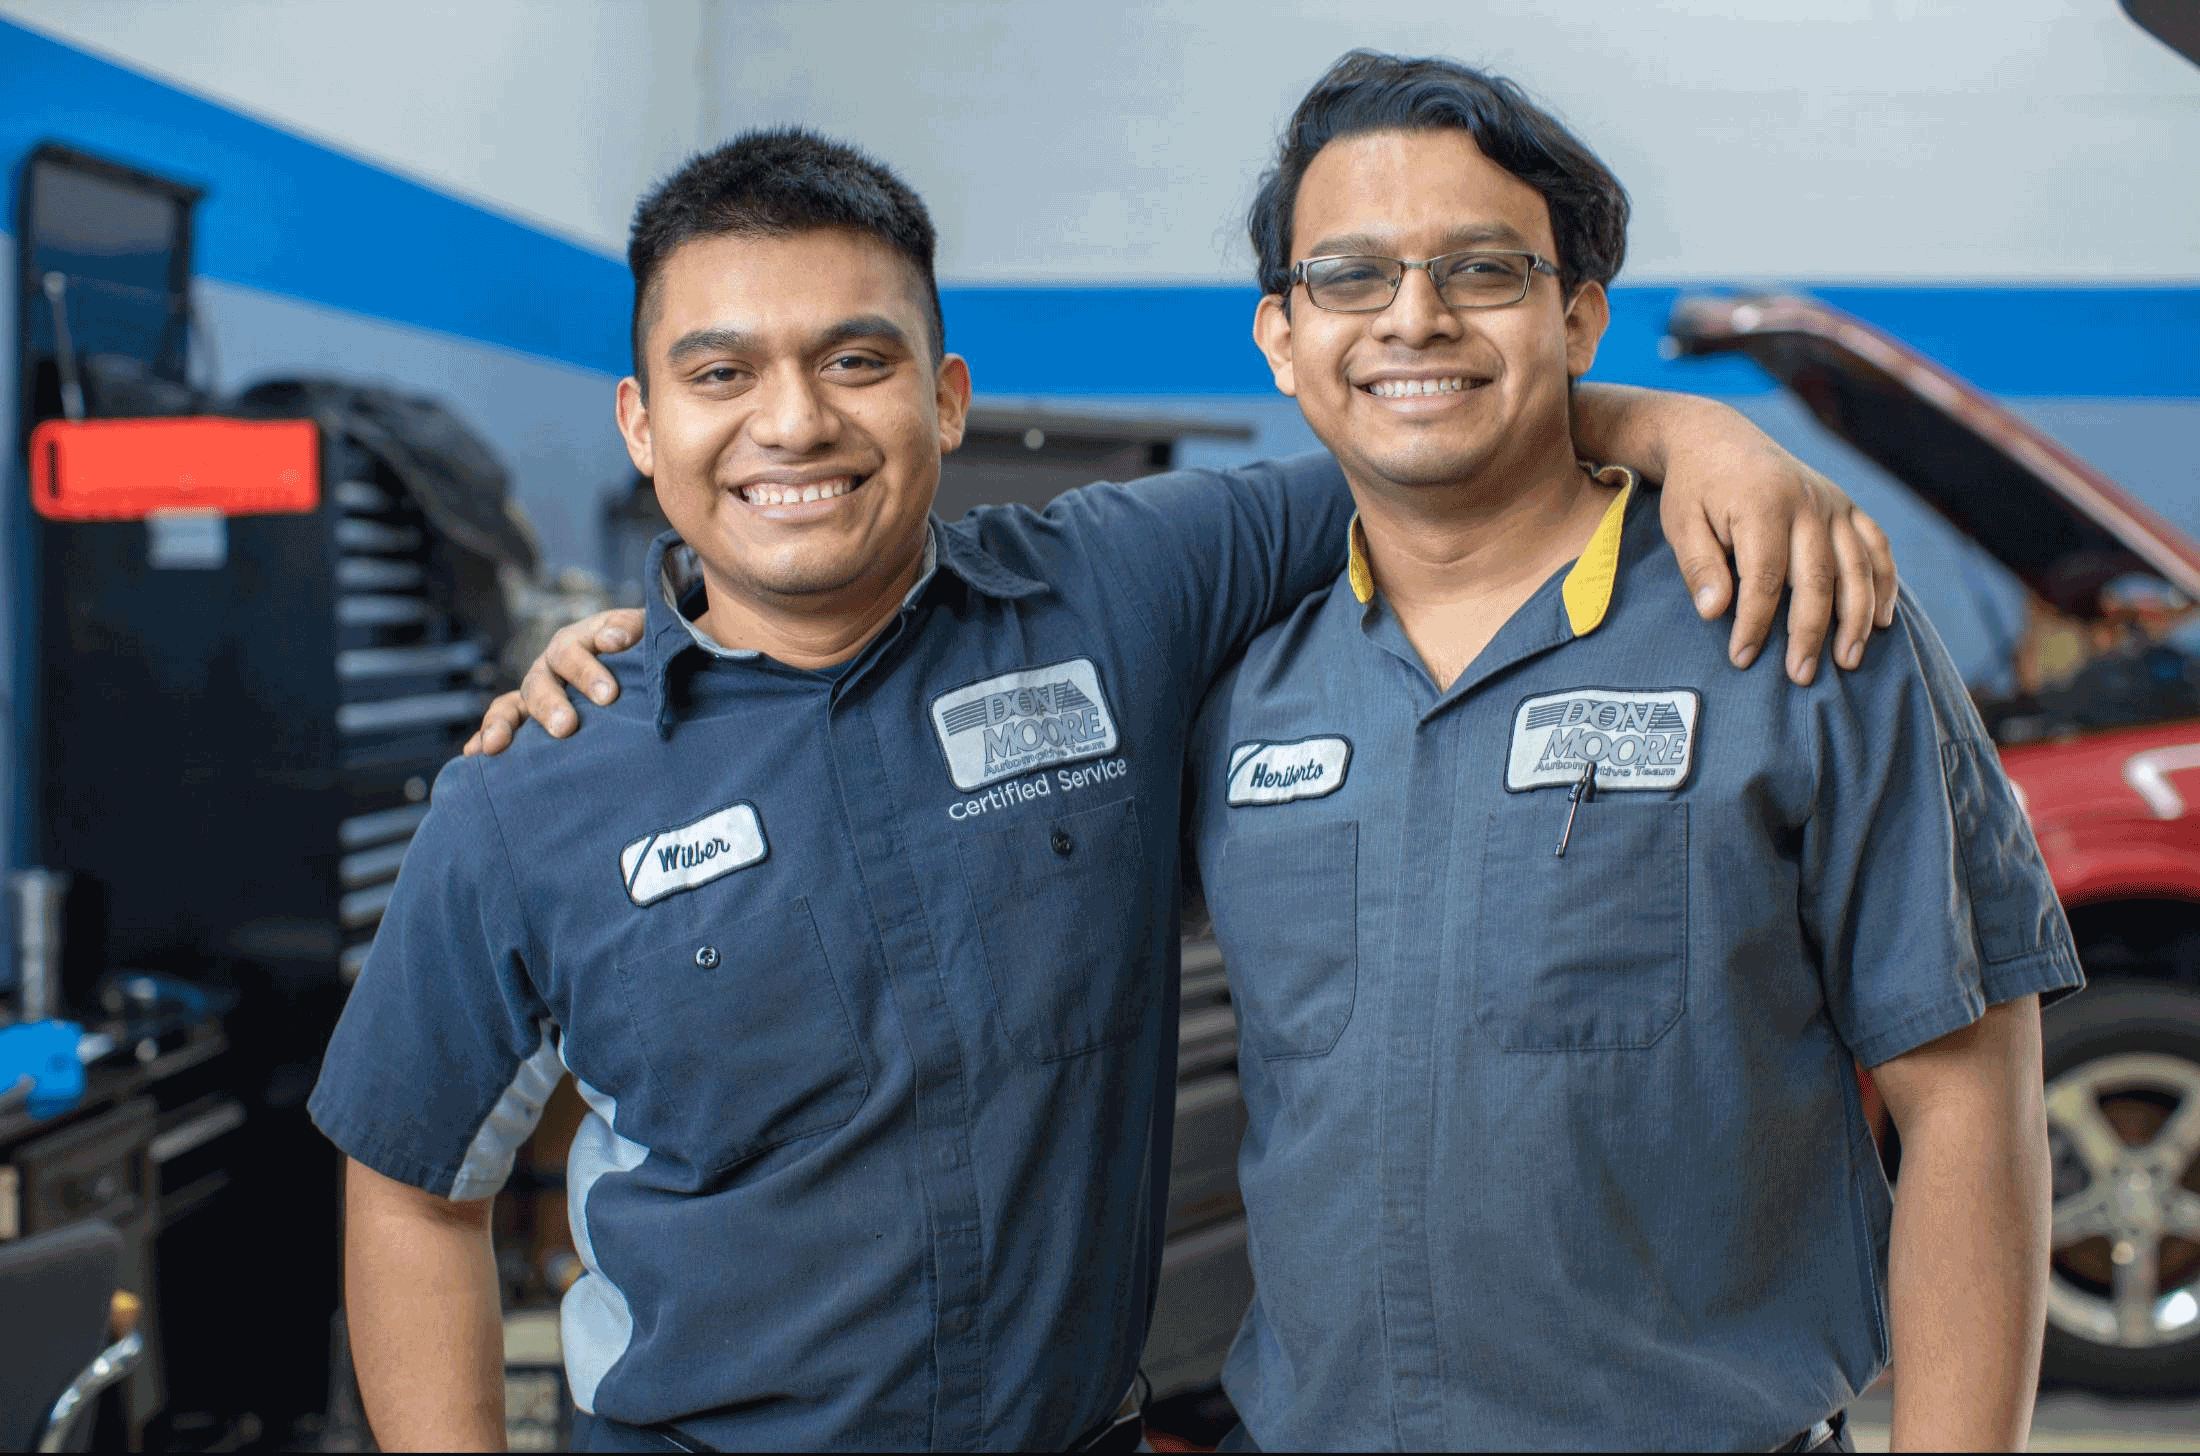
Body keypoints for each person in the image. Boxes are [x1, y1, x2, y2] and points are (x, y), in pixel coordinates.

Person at [359, 126, 1895, 1451]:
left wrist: (1686, 429)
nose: (795, 421)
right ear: (643, 423)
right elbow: (412, 1185)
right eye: (720, 373)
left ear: (946, 398)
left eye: (856, 360)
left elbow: (1431, 438)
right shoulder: (534, 787)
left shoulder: (1121, 589)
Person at [1180, 51, 2078, 1451]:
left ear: (1579, 316)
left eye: (1483, 270)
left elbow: (1967, 1101)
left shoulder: (1790, 621)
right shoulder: (1238, 676)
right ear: (1281, 335)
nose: (1413, 316)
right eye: (1350, 276)